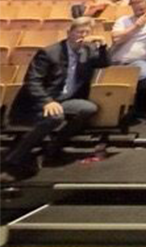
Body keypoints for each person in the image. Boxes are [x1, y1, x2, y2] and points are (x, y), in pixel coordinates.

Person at [2, 18, 109, 178]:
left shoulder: (87, 51)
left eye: (87, 32)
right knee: (55, 116)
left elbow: (104, 64)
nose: (83, 36)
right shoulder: (49, 52)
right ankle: (15, 157)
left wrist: (102, 47)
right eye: (79, 32)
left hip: (66, 99)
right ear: (69, 33)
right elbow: (32, 81)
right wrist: (47, 101)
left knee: (88, 108)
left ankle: (53, 147)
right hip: (39, 102)